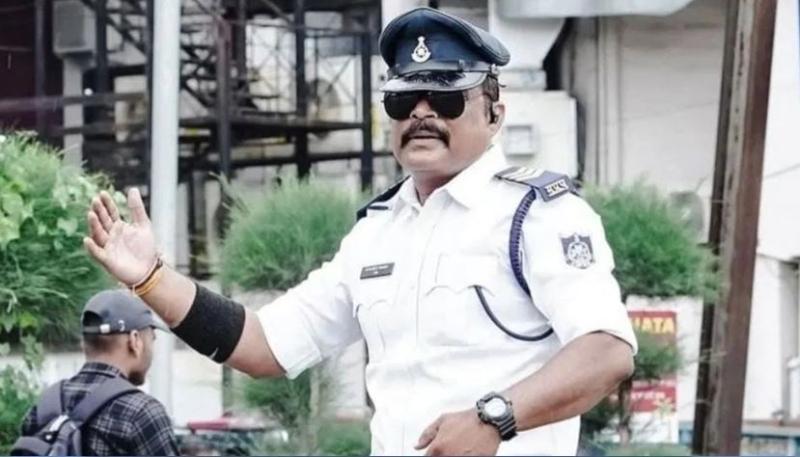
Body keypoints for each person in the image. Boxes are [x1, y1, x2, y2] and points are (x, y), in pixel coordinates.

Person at [83, 7, 636, 456]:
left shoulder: (536, 214)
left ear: (494, 115)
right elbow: (263, 344)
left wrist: (496, 417)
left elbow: (607, 351)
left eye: (446, 98)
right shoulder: (377, 233)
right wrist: (152, 278)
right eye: (403, 99)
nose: (421, 114)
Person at [19, 290, 178, 456]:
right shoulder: (142, 413)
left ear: (84, 344)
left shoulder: (44, 406)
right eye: (152, 339)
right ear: (134, 341)